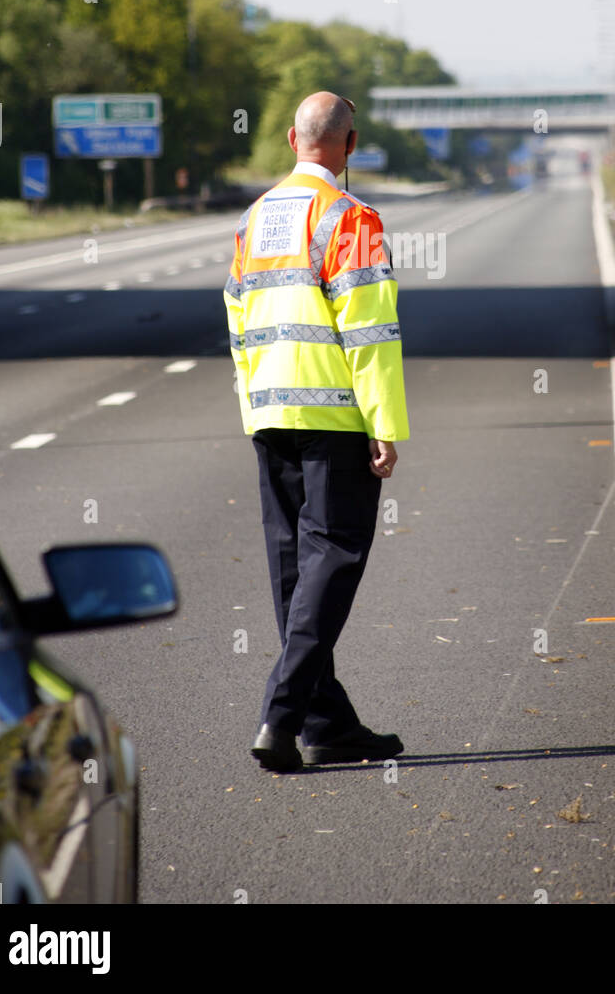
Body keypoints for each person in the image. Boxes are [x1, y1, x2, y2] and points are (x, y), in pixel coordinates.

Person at [224, 91, 410, 772]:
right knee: (333, 557)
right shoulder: (350, 217)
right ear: (350, 145)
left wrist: (253, 404)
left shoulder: (255, 218)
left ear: (289, 138)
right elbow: (371, 330)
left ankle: (328, 722)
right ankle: (283, 714)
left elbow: (236, 315)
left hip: (270, 411)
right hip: (332, 416)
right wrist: (384, 423)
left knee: (295, 569)